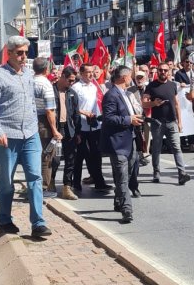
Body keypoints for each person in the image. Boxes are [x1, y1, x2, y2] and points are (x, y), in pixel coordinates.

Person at [0, 36, 52, 238]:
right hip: (9, 135)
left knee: (35, 177)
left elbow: (32, 101)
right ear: (10, 52)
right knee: (6, 180)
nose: (24, 57)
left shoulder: (28, 75)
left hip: (30, 134)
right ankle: (5, 220)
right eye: (20, 53)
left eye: (26, 53)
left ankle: (38, 223)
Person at [100, 66, 143, 224]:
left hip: (130, 140)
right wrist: (128, 120)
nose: (131, 78)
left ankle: (118, 201)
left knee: (128, 173)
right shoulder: (111, 95)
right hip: (117, 143)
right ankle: (127, 210)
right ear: (124, 77)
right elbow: (108, 119)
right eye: (130, 75)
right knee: (122, 177)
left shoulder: (126, 94)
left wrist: (135, 119)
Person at [142, 62, 190, 185]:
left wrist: (179, 121)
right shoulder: (151, 86)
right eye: (160, 70)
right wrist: (154, 104)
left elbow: (177, 104)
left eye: (165, 70)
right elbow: (144, 103)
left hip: (172, 122)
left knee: (177, 148)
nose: (163, 72)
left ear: (169, 72)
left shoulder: (173, 85)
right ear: (157, 71)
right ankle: (156, 173)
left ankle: (182, 174)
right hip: (157, 123)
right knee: (157, 149)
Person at [70, 64, 112, 193]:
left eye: (92, 72)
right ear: (81, 73)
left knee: (96, 155)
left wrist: (98, 118)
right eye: (87, 72)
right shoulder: (75, 88)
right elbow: (72, 108)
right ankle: (75, 183)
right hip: (81, 126)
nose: (90, 74)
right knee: (80, 156)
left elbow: (95, 105)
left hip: (94, 126)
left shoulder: (94, 87)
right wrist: (84, 113)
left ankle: (99, 181)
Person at [33, 57, 62, 199]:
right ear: (46, 69)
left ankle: (35, 187)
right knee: (47, 156)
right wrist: (55, 130)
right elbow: (49, 110)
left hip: (31, 122)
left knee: (34, 155)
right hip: (44, 124)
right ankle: (43, 189)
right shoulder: (45, 84)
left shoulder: (28, 81)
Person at [54, 67, 79, 200]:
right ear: (62, 76)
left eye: (73, 81)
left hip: (69, 131)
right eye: (70, 80)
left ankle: (66, 187)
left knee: (70, 159)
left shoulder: (72, 94)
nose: (71, 83)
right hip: (55, 131)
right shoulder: (51, 91)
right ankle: (50, 183)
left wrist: (78, 133)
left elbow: (76, 114)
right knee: (55, 159)